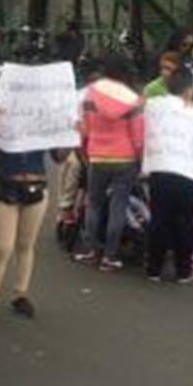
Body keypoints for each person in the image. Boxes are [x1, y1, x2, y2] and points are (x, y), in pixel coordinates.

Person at [0, 113, 69, 325]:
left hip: (36, 188)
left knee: (26, 245)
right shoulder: (4, 117)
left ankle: (20, 294)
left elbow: (59, 156)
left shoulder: (44, 121)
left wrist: (71, 134)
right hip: (7, 187)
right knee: (2, 247)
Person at [72, 56, 145, 273]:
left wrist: (85, 151)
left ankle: (88, 250)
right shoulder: (133, 99)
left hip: (97, 155)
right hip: (125, 158)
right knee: (118, 206)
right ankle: (109, 257)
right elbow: (138, 136)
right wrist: (141, 159)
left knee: (93, 203)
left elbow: (84, 129)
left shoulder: (90, 93)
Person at [146, 67, 193, 285]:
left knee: (159, 219)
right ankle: (183, 270)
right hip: (188, 172)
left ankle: (153, 268)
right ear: (189, 89)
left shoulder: (154, 106)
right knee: (185, 222)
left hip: (160, 169)